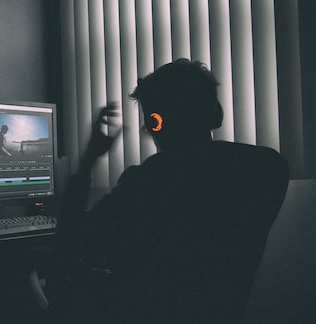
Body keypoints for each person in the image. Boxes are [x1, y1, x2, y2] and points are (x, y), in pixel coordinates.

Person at [54, 59, 290, 323]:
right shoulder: (267, 168)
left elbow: (70, 243)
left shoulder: (147, 182)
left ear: (157, 125)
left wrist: (88, 160)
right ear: (218, 114)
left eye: (151, 121)